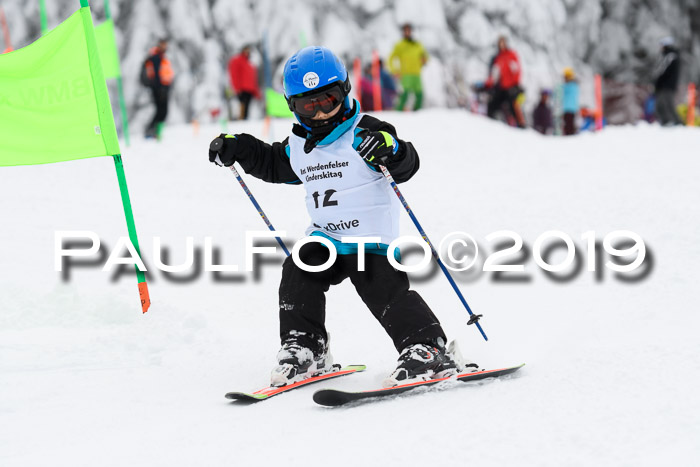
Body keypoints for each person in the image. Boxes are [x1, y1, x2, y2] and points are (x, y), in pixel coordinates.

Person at [207, 46, 477, 388]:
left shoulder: (365, 132)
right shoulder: (301, 147)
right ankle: (306, 347)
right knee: (298, 268)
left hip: (370, 241)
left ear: (345, 91)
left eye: (328, 99)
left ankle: (426, 347)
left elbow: (406, 161)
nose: (320, 113)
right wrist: (238, 148)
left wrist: (390, 149)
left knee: (382, 289)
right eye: (309, 105)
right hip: (327, 237)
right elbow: (273, 162)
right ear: (293, 106)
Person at [486, 36, 525, 128]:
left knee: (514, 104)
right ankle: (489, 123)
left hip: (512, 87)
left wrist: (515, 84)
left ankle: (521, 124)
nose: (501, 45)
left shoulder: (511, 55)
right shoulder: (498, 58)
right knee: (493, 103)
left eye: (503, 43)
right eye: (500, 43)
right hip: (502, 87)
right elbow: (494, 75)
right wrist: (488, 85)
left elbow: (517, 71)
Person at [388, 23, 428, 111]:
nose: (407, 32)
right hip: (405, 74)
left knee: (419, 95)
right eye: (405, 30)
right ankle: (398, 113)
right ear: (403, 32)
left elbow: (425, 56)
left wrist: (424, 60)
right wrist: (394, 70)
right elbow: (391, 58)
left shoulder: (417, 44)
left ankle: (418, 113)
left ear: (411, 31)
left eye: (408, 30)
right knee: (404, 95)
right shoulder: (400, 45)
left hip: (417, 74)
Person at [141, 39, 174, 139]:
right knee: (161, 111)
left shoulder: (161, 57)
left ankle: (155, 132)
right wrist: (160, 88)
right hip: (159, 89)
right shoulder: (156, 57)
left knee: (162, 111)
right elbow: (156, 75)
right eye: (163, 45)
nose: (165, 47)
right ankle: (151, 131)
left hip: (163, 88)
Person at [653, 37, 682, 126]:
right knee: (663, 104)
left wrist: (658, 82)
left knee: (665, 105)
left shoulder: (670, 56)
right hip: (666, 85)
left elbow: (663, 72)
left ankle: (675, 123)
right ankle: (668, 122)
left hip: (666, 86)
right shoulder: (668, 56)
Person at [228, 45, 261, 120]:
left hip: (250, 89)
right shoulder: (237, 60)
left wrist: (256, 92)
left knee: (247, 108)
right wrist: (236, 88)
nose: (247, 52)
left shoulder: (250, 63)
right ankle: (239, 121)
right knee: (241, 106)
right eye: (246, 50)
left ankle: (244, 120)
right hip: (242, 89)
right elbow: (234, 74)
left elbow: (253, 79)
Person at [561, 67, 580, 135]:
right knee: (568, 124)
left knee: (569, 125)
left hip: (569, 109)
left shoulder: (570, 86)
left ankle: (569, 136)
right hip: (569, 108)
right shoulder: (573, 85)